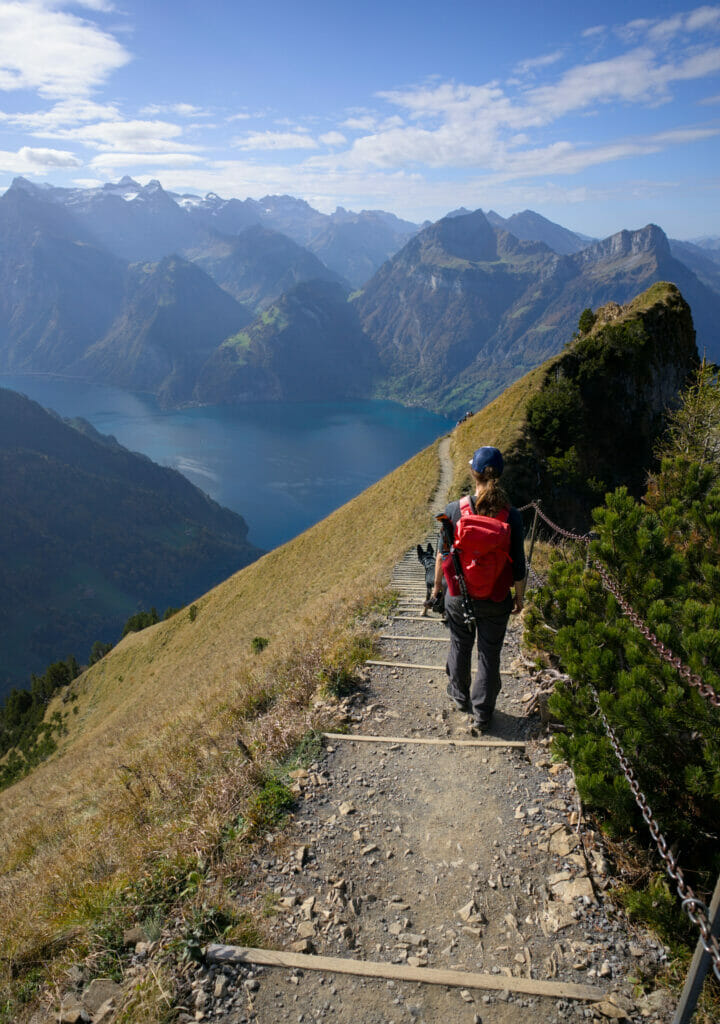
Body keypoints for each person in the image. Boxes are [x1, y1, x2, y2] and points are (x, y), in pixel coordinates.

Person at [429, 445, 525, 733]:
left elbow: (442, 555)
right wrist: (519, 597)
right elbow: (518, 566)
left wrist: (437, 589)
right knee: (489, 653)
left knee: (460, 644)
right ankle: (483, 713)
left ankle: (459, 697)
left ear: (473, 473)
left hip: (458, 595)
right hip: (496, 597)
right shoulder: (513, 517)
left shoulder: (452, 511)